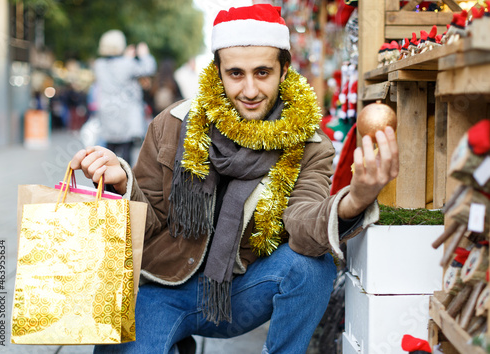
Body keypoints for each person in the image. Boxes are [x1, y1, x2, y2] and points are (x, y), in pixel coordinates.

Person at [71, 4, 398, 353]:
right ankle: (175, 341)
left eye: (262, 72)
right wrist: (123, 182)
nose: (250, 89)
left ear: (284, 71)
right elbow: (150, 222)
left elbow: (303, 226)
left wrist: (354, 201)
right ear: (218, 72)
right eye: (236, 74)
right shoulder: (172, 124)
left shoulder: (310, 145)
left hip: (241, 293)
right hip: (163, 288)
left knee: (311, 268)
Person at [93, 29, 156, 165]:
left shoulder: (98, 65)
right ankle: (123, 181)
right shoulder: (128, 64)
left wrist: (125, 58)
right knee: (125, 153)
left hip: (108, 112)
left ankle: (107, 183)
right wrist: (144, 54)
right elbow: (148, 68)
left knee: (109, 151)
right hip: (125, 114)